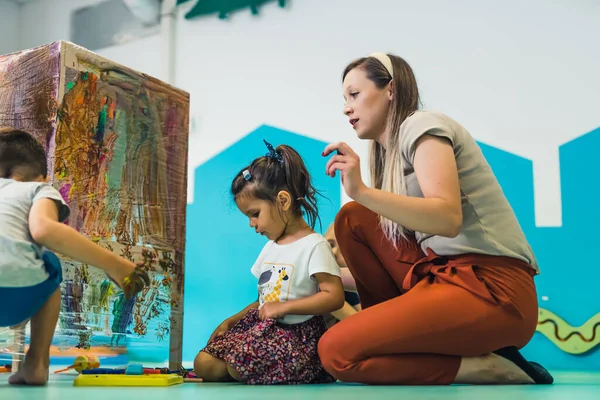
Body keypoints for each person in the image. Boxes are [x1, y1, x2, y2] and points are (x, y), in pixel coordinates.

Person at [317, 53, 554, 385]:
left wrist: (362, 191)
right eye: (344, 99)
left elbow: (447, 218)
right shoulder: (392, 159)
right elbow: (391, 270)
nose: (346, 108)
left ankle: (491, 367)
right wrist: (320, 276)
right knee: (353, 219)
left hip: (495, 292)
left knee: (335, 352)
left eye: (354, 94)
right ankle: (404, 340)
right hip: (444, 280)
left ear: (391, 91)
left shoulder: (422, 125)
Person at [0, 127, 149, 386]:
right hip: (15, 295)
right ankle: (36, 362)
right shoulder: (35, 189)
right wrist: (115, 264)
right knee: (50, 265)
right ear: (36, 177)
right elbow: (44, 230)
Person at [193, 140, 344, 385]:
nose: (252, 224)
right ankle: (252, 371)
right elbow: (263, 300)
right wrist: (231, 321)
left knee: (239, 364)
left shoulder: (314, 245)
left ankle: (305, 369)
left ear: (283, 202)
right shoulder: (270, 248)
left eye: (255, 214)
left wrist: (284, 308)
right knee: (203, 363)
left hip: (295, 336)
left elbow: (333, 296)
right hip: (264, 330)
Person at [323, 224, 361, 328]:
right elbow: (360, 326)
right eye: (330, 245)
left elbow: (362, 316)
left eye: (344, 250)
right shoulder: (310, 277)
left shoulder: (345, 290)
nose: (334, 252)